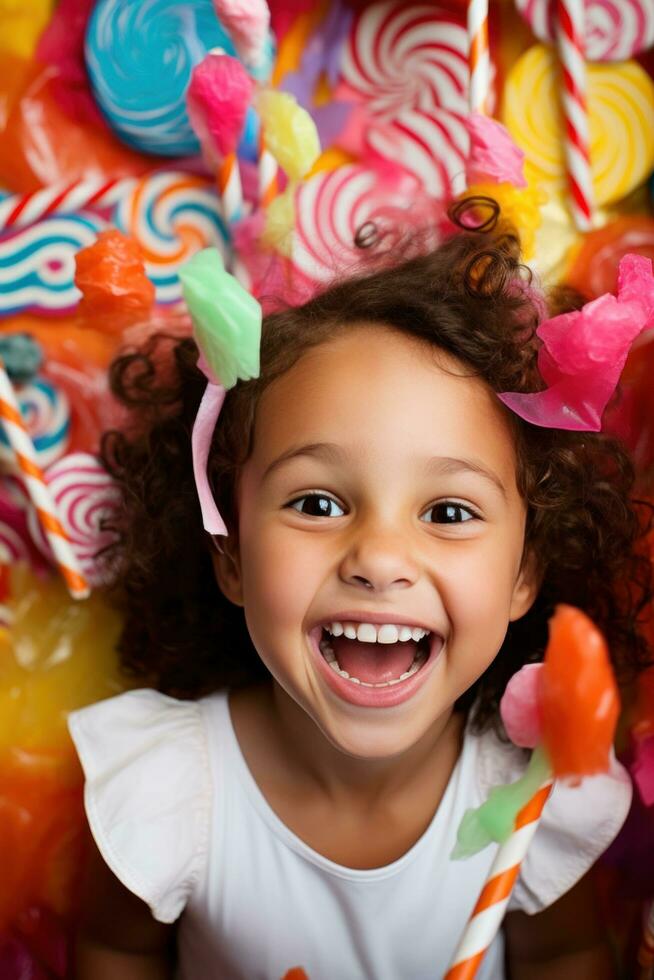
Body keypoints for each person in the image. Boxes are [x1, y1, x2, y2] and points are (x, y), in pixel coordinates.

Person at [69, 209, 652, 980]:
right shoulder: (167, 795)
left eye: (448, 513)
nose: (379, 558)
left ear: (523, 575)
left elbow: (570, 956)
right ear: (233, 553)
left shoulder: (535, 796)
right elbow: (113, 952)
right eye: (317, 503)